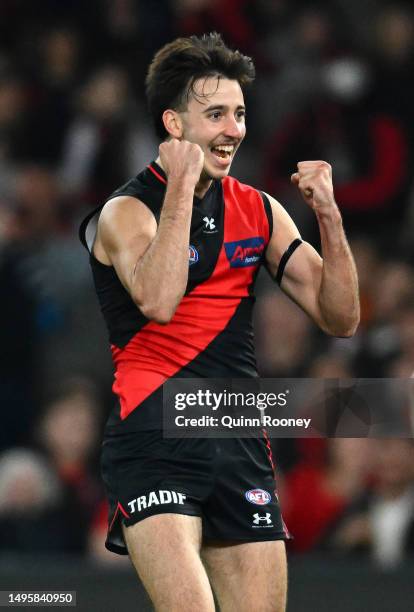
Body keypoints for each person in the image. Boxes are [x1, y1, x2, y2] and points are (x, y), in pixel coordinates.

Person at [79, 32, 359, 612]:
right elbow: (157, 300)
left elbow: (342, 319)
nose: (234, 129)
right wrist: (181, 183)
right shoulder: (124, 212)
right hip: (153, 435)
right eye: (215, 115)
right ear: (173, 125)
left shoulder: (258, 209)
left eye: (239, 113)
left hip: (237, 436)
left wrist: (328, 215)